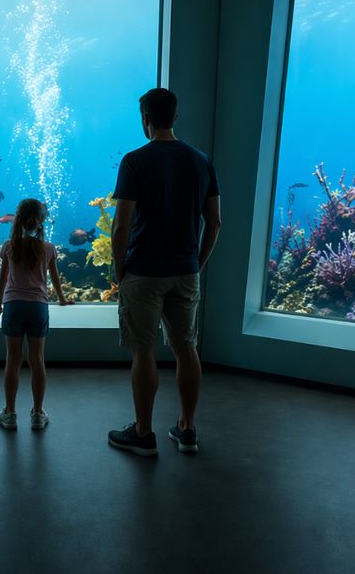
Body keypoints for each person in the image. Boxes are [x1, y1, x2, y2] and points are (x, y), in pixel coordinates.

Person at [107, 88, 221, 456]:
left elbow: (121, 226)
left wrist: (119, 267)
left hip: (143, 271)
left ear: (146, 120)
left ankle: (143, 433)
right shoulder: (202, 161)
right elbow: (215, 222)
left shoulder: (134, 161)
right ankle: (187, 429)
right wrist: (197, 263)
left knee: (144, 351)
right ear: (176, 116)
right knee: (187, 348)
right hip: (185, 270)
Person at [0, 198, 71, 430]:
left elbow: (2, 279)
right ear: (40, 221)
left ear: (19, 220)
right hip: (38, 307)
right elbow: (54, 279)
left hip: (13, 306)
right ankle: (37, 414)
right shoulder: (48, 248)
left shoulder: (8, 246)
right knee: (38, 361)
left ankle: (10, 413)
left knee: (13, 361)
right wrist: (62, 300)